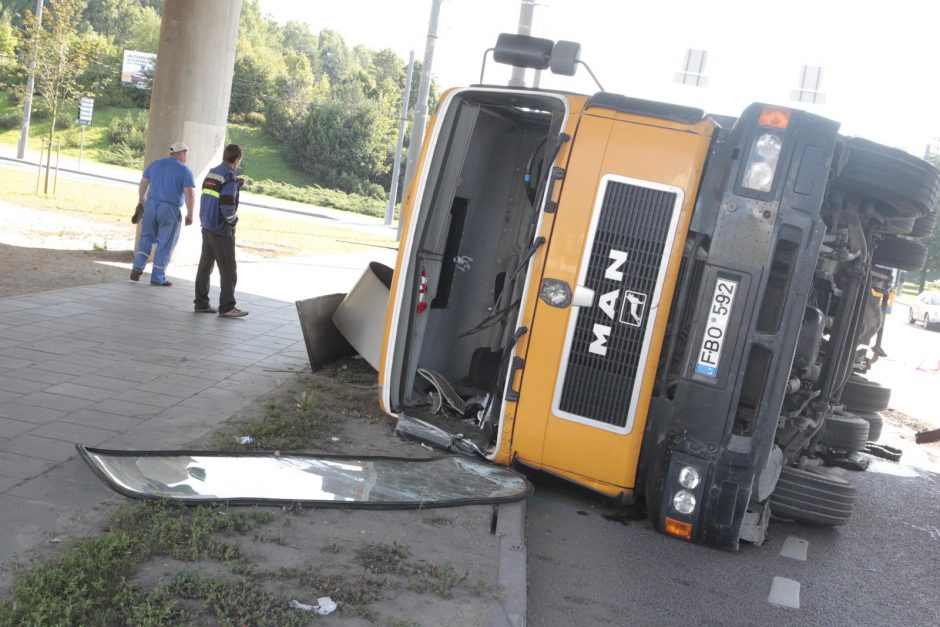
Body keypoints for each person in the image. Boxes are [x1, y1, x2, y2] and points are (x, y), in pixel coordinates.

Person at [193, 143, 248, 317]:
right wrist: (233, 221)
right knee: (228, 269)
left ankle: (201, 304)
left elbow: (212, 195)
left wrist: (235, 186)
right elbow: (226, 206)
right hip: (221, 229)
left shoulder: (213, 173)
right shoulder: (229, 177)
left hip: (207, 225)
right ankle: (227, 306)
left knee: (205, 266)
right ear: (237, 159)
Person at [130, 142, 196, 286]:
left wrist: (142, 201)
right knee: (165, 243)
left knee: (146, 237)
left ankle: (137, 267)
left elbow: (143, 184)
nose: (186, 157)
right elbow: (190, 194)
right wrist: (190, 213)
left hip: (151, 205)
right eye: (186, 154)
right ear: (181, 153)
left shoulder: (155, 164)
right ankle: (158, 277)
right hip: (170, 209)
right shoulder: (185, 171)